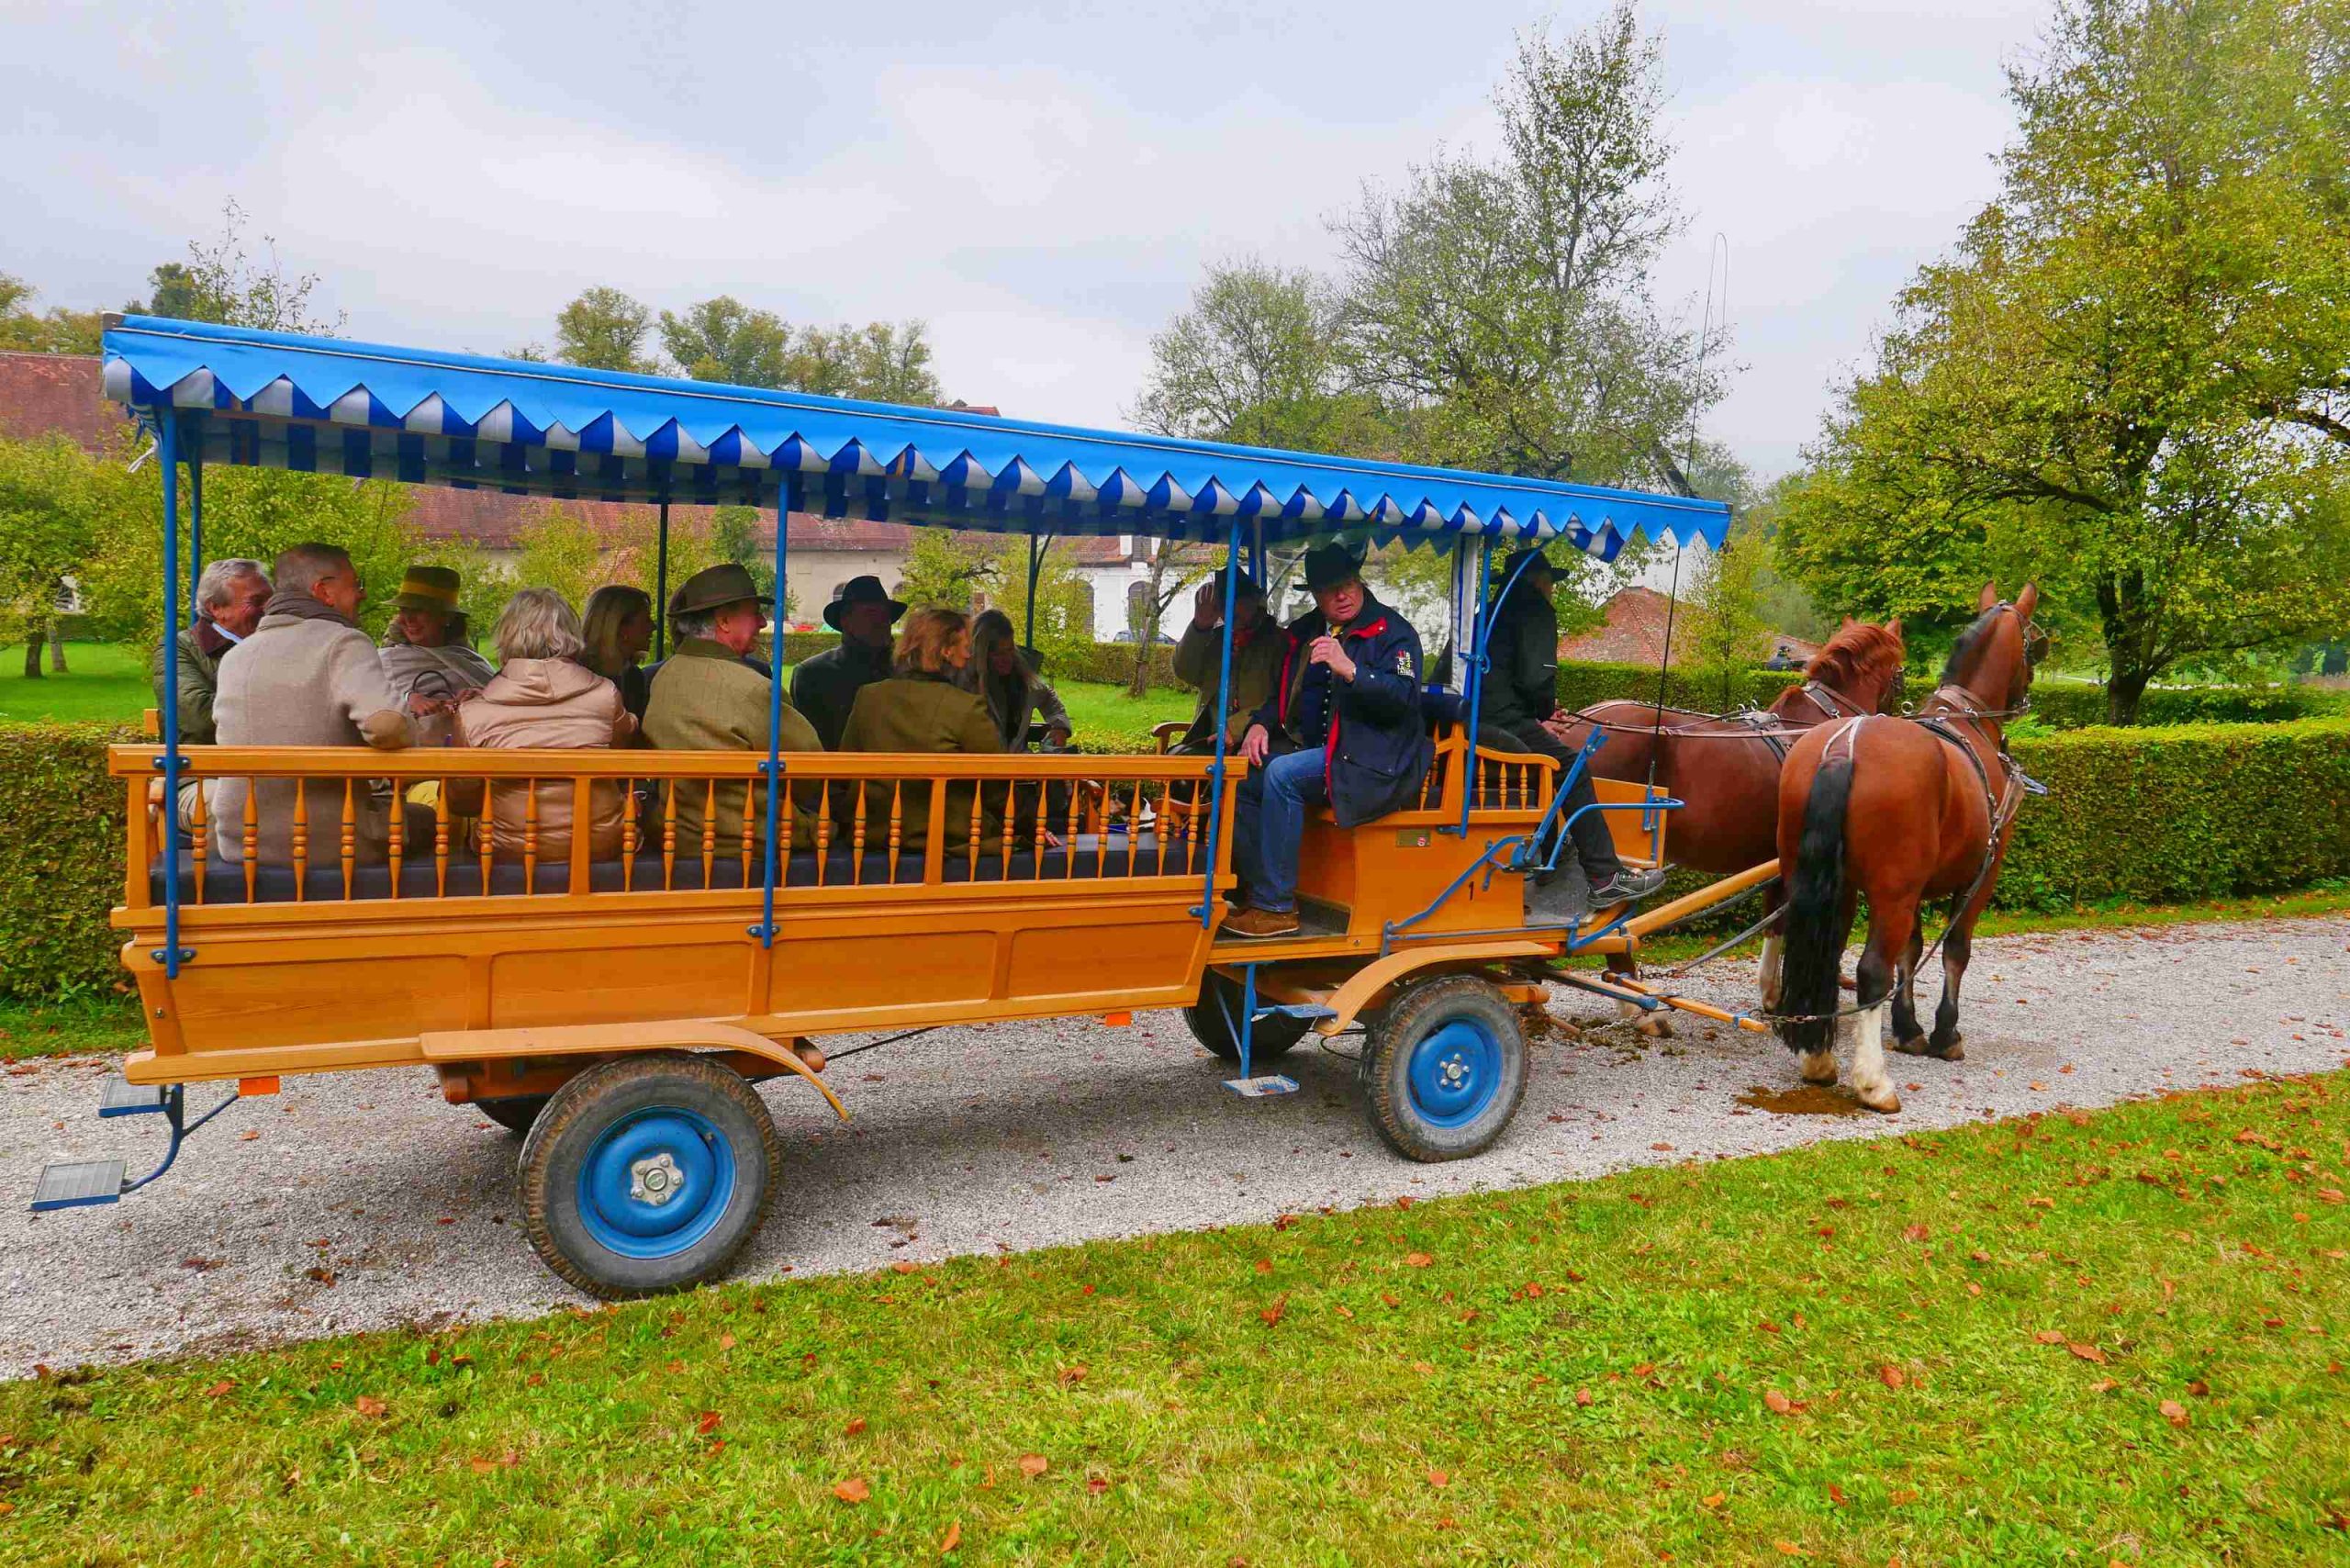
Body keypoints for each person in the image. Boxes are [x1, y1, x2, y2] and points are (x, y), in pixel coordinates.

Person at [1225, 544, 1432, 937]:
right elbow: (1283, 692)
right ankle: (1258, 891)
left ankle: (1276, 908)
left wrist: (1351, 670)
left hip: (1372, 759)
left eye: (1348, 584)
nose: (1342, 596)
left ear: (1360, 582)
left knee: (1282, 775)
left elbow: (1405, 699)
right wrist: (1259, 725)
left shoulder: (1395, 633)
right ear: (1316, 595)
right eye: (1329, 589)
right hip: (1323, 752)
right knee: (1243, 778)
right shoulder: (1306, 631)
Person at [1477, 547, 1664, 908]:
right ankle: (1604, 878)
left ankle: (1549, 854)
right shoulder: (1533, 610)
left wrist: (1532, 715)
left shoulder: (1483, 615)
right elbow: (1536, 680)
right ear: (1539, 581)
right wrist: (1544, 711)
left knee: (1545, 763)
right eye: (1550, 582)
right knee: (1572, 768)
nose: (1552, 590)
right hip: (1502, 721)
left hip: (1473, 723)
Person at [209, 543, 414, 868]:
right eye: (356, 584)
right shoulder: (344, 642)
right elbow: (387, 725)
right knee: (431, 818)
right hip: (326, 839)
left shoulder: (236, 656)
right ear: (324, 591)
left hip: (240, 840)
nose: (362, 594)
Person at [642, 563, 822, 851]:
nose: (762, 622)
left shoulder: (664, 676)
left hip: (678, 839)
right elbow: (810, 768)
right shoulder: (752, 688)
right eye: (755, 613)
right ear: (724, 621)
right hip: (747, 843)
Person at [451, 588, 634, 865]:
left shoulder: (473, 713)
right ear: (570, 633)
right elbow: (620, 757)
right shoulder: (606, 695)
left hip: (508, 849)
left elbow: (462, 802)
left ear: (507, 636)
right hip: (599, 844)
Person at [839, 606, 1010, 852]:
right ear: (946, 650)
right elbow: (999, 784)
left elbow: (845, 767)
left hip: (871, 835)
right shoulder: (966, 708)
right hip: (945, 839)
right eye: (966, 647)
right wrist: (1033, 826)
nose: (969, 655)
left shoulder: (868, 696)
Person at [152, 557, 271, 746]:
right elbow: (199, 716)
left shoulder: (277, 644)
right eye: (257, 601)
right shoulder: (177, 648)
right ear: (216, 608)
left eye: (272, 599)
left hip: (276, 760)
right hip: (207, 763)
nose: (268, 608)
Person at [378, 566, 495, 745]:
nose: (408, 619)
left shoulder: (472, 664)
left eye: (419, 610)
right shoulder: (384, 661)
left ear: (446, 618)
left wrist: (475, 699)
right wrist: (408, 698)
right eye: (403, 610)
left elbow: (500, 708)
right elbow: (362, 702)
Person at [1169, 572, 1282, 753]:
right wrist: (1200, 626)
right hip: (1211, 739)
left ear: (1253, 601)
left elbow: (1281, 700)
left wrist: (1234, 729)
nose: (1226, 612)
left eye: (1235, 602)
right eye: (1221, 605)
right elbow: (1186, 672)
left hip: (1257, 740)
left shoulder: (1278, 642)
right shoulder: (1216, 639)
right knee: (1176, 763)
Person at [791, 575, 904, 750]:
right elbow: (807, 743)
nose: (881, 622)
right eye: (870, 614)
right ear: (845, 620)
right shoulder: (813, 674)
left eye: (885, 614)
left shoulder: (907, 670)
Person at [964, 609, 1071, 750]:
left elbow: (1048, 699)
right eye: (998, 654)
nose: (1007, 659)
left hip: (1019, 761)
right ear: (981, 653)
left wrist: (1060, 727)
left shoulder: (1024, 678)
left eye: (1010, 650)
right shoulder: (963, 685)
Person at [577, 584, 655, 724]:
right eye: (646, 620)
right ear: (620, 627)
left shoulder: (633, 676)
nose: (653, 627)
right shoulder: (577, 674)